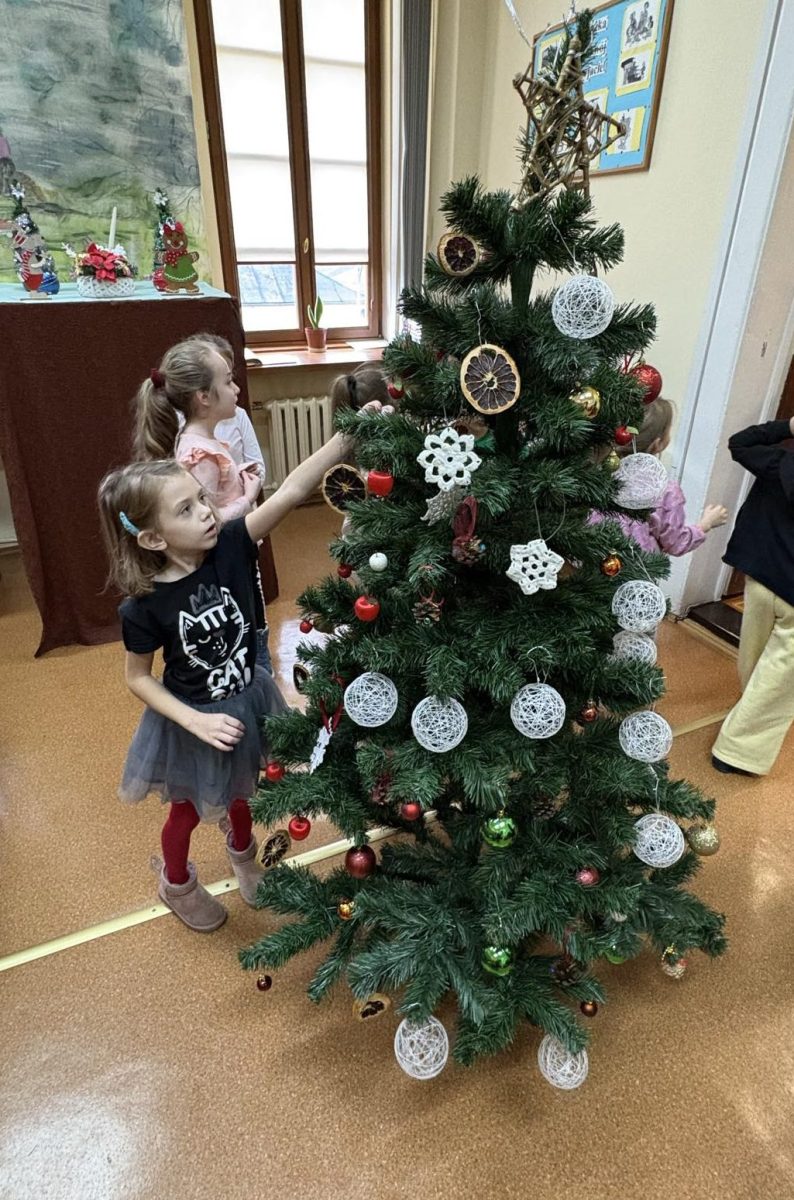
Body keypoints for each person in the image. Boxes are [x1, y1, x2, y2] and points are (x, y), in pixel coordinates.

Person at [98, 407, 380, 931]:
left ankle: (243, 855)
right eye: (186, 509)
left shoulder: (230, 545)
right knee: (186, 812)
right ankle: (176, 882)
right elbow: (137, 677)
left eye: (202, 499)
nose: (207, 512)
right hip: (193, 720)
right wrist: (195, 721)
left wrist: (347, 438)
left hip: (247, 699)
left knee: (243, 788)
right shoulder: (143, 607)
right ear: (154, 538)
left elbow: (291, 491)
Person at [132, 336, 273, 670]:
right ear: (204, 397)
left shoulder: (205, 444)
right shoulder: (199, 455)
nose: (236, 389)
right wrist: (248, 498)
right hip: (224, 560)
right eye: (228, 381)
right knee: (252, 640)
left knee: (256, 622)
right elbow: (208, 521)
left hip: (235, 556)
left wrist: (238, 476)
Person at [712, 415, 794, 776]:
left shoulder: (779, 464)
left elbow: (739, 442)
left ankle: (746, 716)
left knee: (753, 656)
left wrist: (787, 427)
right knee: (781, 677)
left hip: (761, 579)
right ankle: (736, 752)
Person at [598, 396, 728, 555]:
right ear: (657, 444)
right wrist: (705, 524)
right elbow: (675, 542)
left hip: (590, 562)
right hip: (635, 566)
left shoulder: (594, 474)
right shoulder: (664, 490)